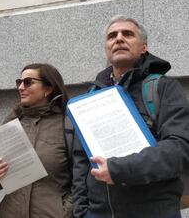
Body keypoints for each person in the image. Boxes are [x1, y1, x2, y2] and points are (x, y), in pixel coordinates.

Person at [72, 15, 189, 218]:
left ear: (144, 47)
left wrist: (118, 169)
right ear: (107, 49)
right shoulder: (90, 96)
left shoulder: (163, 88)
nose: (118, 39)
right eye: (112, 36)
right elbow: (81, 160)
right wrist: (81, 211)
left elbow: (179, 149)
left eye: (127, 34)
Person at [0, 63, 73, 218]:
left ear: (48, 89)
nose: (20, 87)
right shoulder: (12, 122)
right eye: (19, 82)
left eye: (28, 82)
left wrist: (65, 213)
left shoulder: (67, 124)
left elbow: (83, 178)